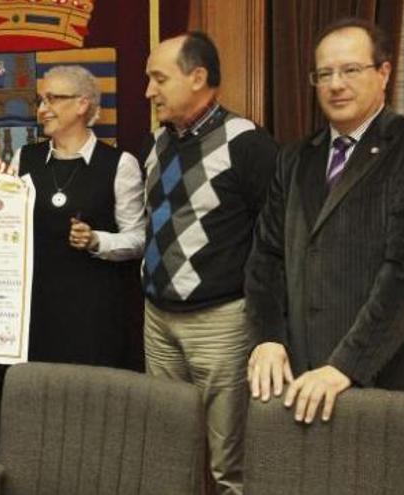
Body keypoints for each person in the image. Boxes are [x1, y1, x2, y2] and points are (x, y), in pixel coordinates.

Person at [246, 18, 404, 425]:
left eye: (350, 70)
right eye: (324, 73)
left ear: (384, 73)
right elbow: (266, 259)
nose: (335, 84)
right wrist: (269, 337)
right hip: (301, 375)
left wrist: (346, 365)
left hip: (384, 378)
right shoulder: (293, 159)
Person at [141, 33, 277, 494]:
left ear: (198, 78)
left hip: (220, 323)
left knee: (227, 462)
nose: (149, 91)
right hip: (158, 320)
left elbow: (274, 238)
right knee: (168, 447)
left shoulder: (247, 142)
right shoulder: (159, 142)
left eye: (159, 78)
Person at [11, 64, 145, 366]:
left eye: (52, 99)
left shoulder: (119, 164)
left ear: (82, 104)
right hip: (35, 312)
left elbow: (138, 239)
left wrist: (97, 240)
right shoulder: (24, 158)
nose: (42, 110)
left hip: (93, 315)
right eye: (40, 102)